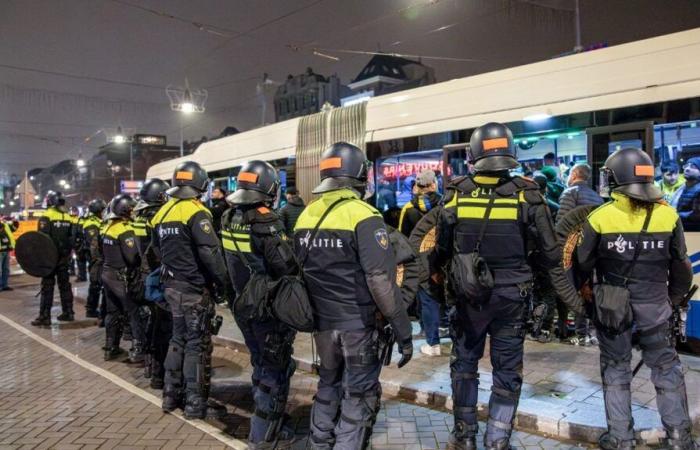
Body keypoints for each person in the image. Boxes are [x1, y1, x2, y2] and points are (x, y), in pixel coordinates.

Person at [434, 123, 572, 450]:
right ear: (510, 151)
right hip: (513, 296)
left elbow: (441, 249)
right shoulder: (528, 193)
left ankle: (464, 437)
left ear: (474, 153)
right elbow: (550, 253)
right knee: (506, 370)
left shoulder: (455, 192)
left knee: (464, 365)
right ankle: (497, 440)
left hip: (468, 298)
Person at [295, 142, 413, 450]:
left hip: (322, 324)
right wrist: (403, 331)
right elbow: (380, 282)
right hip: (357, 325)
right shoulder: (364, 216)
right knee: (358, 395)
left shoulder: (306, 215)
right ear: (360, 174)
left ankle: (318, 443)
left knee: (328, 384)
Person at [576, 148, 695, 450]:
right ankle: (680, 438)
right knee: (667, 371)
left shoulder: (599, 217)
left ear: (617, 178)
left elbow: (581, 267)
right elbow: (681, 267)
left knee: (616, 371)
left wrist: (588, 304)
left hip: (613, 313)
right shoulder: (668, 214)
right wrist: (671, 300)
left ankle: (621, 438)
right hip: (656, 310)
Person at [221, 161, 299, 449]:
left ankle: (272, 418)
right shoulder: (267, 221)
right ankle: (264, 433)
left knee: (260, 362)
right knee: (273, 368)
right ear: (269, 188)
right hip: (267, 308)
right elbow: (287, 266)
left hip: (243, 305)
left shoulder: (228, 217)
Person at [151, 161, 231, 419]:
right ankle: (196, 403)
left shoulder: (162, 213)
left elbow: (155, 251)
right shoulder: (196, 212)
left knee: (177, 339)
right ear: (200, 185)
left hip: (171, 287)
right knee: (197, 344)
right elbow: (210, 253)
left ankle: (170, 395)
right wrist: (222, 283)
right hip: (194, 289)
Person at [398, 169, 445, 356]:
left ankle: (432, 340)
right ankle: (447, 328)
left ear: (417, 186)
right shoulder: (445, 204)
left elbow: (402, 238)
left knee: (426, 299)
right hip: (443, 258)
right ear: (434, 184)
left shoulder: (408, 209)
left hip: (420, 261)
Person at [555, 163, 603, 345]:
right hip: (592, 251)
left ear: (574, 174)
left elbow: (562, 224)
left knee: (569, 289)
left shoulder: (570, 193)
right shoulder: (596, 196)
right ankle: (586, 331)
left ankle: (571, 331)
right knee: (587, 289)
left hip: (572, 251)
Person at [133, 178, 171, 389]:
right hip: (157, 276)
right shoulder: (156, 217)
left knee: (152, 324)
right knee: (163, 327)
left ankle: (150, 366)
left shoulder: (139, 216)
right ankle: (159, 373)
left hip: (144, 274)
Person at [101, 194, 140, 361]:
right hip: (121, 277)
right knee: (134, 312)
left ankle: (111, 347)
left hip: (108, 274)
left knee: (112, 312)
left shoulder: (107, 227)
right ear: (126, 210)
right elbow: (132, 258)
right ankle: (138, 348)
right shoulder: (125, 230)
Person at [31, 191, 75, 326]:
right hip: (64, 258)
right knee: (65, 286)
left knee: (47, 287)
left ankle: (45, 317)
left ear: (50, 201)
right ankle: (68, 313)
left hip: (50, 259)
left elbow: (42, 240)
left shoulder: (46, 216)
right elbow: (71, 238)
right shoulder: (68, 217)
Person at [82, 199, 106, 318]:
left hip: (100, 257)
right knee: (95, 283)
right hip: (94, 258)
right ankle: (91, 309)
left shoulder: (100, 221)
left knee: (101, 283)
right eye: (102, 210)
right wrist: (97, 258)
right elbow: (93, 243)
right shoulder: (91, 223)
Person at [672, 157, 700, 230]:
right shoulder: (682, 187)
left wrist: (673, 215)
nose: (687, 169)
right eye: (686, 165)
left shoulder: (698, 190)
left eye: (693, 167)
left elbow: (696, 215)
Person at [0, 217, 15, 291]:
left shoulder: (5, 224)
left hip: (6, 249)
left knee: (6, 269)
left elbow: (13, 229)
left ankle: (4, 285)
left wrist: (13, 221)